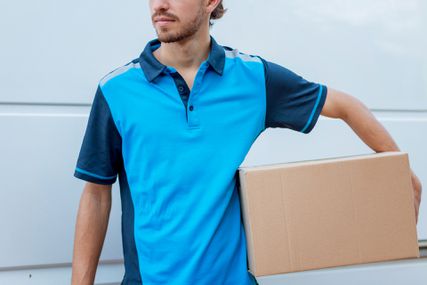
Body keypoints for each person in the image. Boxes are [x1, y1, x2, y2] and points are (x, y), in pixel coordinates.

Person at [71, 0, 422, 284]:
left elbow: (344, 106)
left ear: (211, 2)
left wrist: (397, 167)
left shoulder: (253, 79)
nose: (159, 5)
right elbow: (96, 195)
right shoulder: (117, 91)